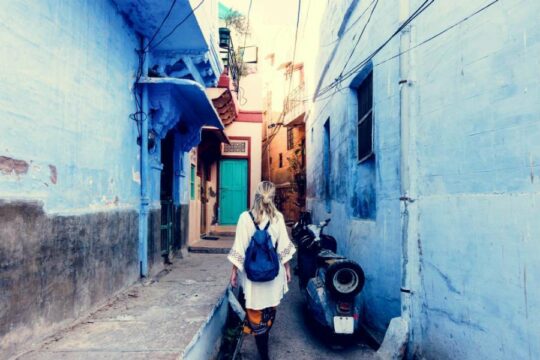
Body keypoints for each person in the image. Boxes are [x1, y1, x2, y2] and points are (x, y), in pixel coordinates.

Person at [228, 181, 296, 360]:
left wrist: (234, 270)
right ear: (273, 198)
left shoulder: (245, 217)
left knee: (255, 312)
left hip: (252, 277)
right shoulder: (278, 218)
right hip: (272, 276)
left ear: (256, 196)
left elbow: (240, 247)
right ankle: (264, 341)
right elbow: (283, 247)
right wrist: (288, 268)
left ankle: (261, 344)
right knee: (269, 309)